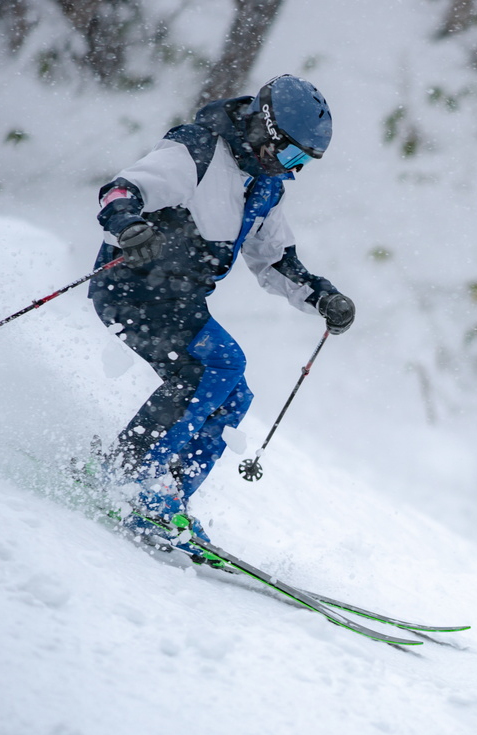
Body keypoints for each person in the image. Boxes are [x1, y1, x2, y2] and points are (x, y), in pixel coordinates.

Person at [88, 74, 354, 546]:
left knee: (233, 395)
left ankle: (167, 497)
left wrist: (322, 296)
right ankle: (131, 478)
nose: (291, 169)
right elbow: (119, 192)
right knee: (216, 365)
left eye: (303, 162)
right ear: (263, 130)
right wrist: (129, 225)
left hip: (178, 301)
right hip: (131, 286)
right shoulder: (197, 152)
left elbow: (274, 259)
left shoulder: (265, 185)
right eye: (290, 154)